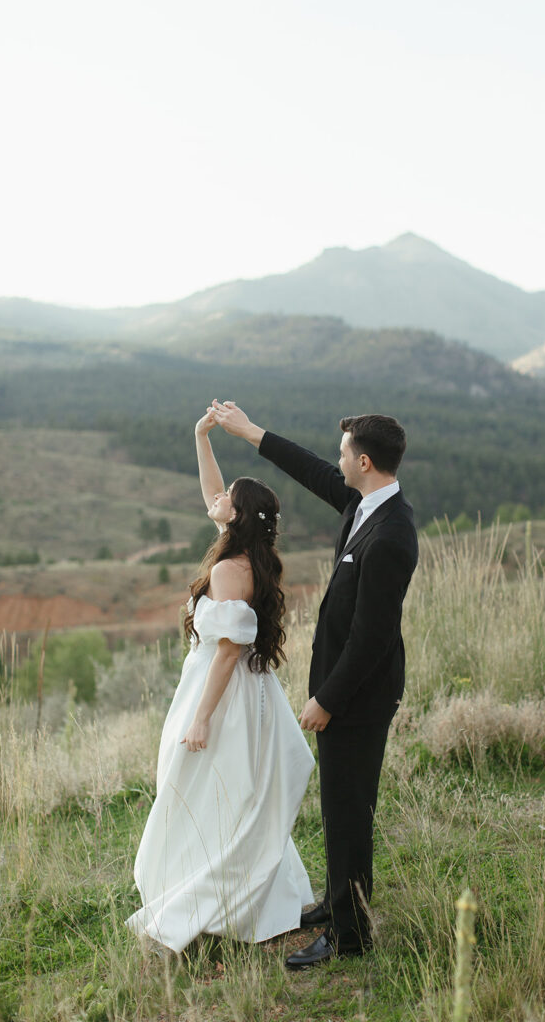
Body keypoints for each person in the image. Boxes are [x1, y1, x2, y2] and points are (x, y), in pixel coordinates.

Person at [210, 400, 418, 968]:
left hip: (357, 697)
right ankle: (338, 901)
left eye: (345, 452)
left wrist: (327, 699)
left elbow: (373, 637)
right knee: (339, 806)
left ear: (366, 461)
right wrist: (251, 433)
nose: (338, 460)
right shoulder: (364, 502)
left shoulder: (392, 535)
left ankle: (350, 937)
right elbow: (310, 469)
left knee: (349, 810)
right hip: (346, 692)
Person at [126, 409, 314, 953]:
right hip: (226, 686)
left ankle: (202, 899)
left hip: (222, 693)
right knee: (215, 790)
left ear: (240, 514)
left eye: (230, 495)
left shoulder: (232, 569)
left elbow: (229, 652)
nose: (219, 497)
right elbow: (211, 488)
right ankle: (226, 885)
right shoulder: (242, 551)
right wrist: (201, 436)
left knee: (205, 786)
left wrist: (203, 716)